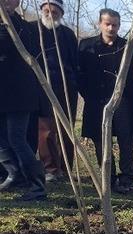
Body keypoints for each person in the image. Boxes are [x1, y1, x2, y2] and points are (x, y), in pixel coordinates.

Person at [79, 8, 133, 193]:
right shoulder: (86, 45)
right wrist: (88, 95)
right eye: (108, 24)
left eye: (115, 24)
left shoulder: (130, 46)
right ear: (100, 24)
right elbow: (79, 74)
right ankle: (108, 177)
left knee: (126, 139)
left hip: (123, 102)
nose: (111, 28)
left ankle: (127, 177)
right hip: (96, 102)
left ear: (119, 26)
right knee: (100, 140)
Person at [0, 0, 46, 201]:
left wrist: (7, 19)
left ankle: (38, 187)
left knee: (17, 138)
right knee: (2, 139)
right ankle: (14, 173)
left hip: (19, 93)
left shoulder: (25, 28)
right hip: (3, 92)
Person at [32, 0, 78, 182]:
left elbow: (75, 62)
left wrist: (73, 82)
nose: (50, 15)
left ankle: (66, 169)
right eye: (46, 11)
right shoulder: (33, 30)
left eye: (55, 12)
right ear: (42, 10)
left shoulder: (67, 34)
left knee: (67, 130)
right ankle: (50, 168)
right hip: (41, 86)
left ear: (61, 14)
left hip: (66, 87)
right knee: (45, 130)